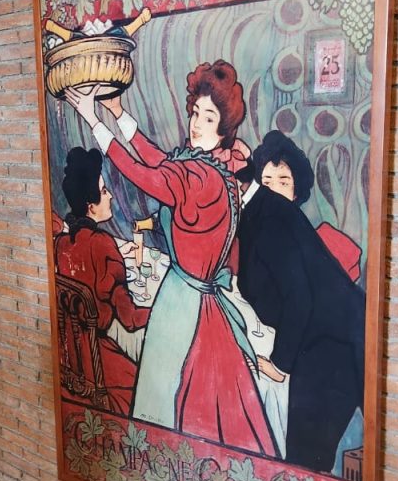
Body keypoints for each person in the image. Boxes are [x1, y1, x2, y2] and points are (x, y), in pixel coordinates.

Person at [63, 62, 279, 459]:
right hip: (195, 298)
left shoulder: (201, 178)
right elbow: (159, 160)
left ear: (223, 128)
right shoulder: (209, 168)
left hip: (182, 304)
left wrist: (92, 119)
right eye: (195, 113)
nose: (196, 123)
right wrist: (117, 113)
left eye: (208, 117)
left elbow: (144, 174)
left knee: (167, 396)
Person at [237, 130, 365, 474]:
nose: (272, 190)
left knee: (305, 462)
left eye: (282, 182)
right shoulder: (263, 223)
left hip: (332, 346)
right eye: (265, 182)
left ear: (297, 191)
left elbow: (300, 298)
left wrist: (279, 365)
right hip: (327, 339)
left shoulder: (278, 227)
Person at [55, 147, 149, 415]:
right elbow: (129, 319)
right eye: (104, 191)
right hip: (97, 362)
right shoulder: (103, 244)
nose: (110, 196)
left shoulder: (61, 243)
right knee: (146, 388)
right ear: (91, 205)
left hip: (69, 356)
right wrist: (162, 311)